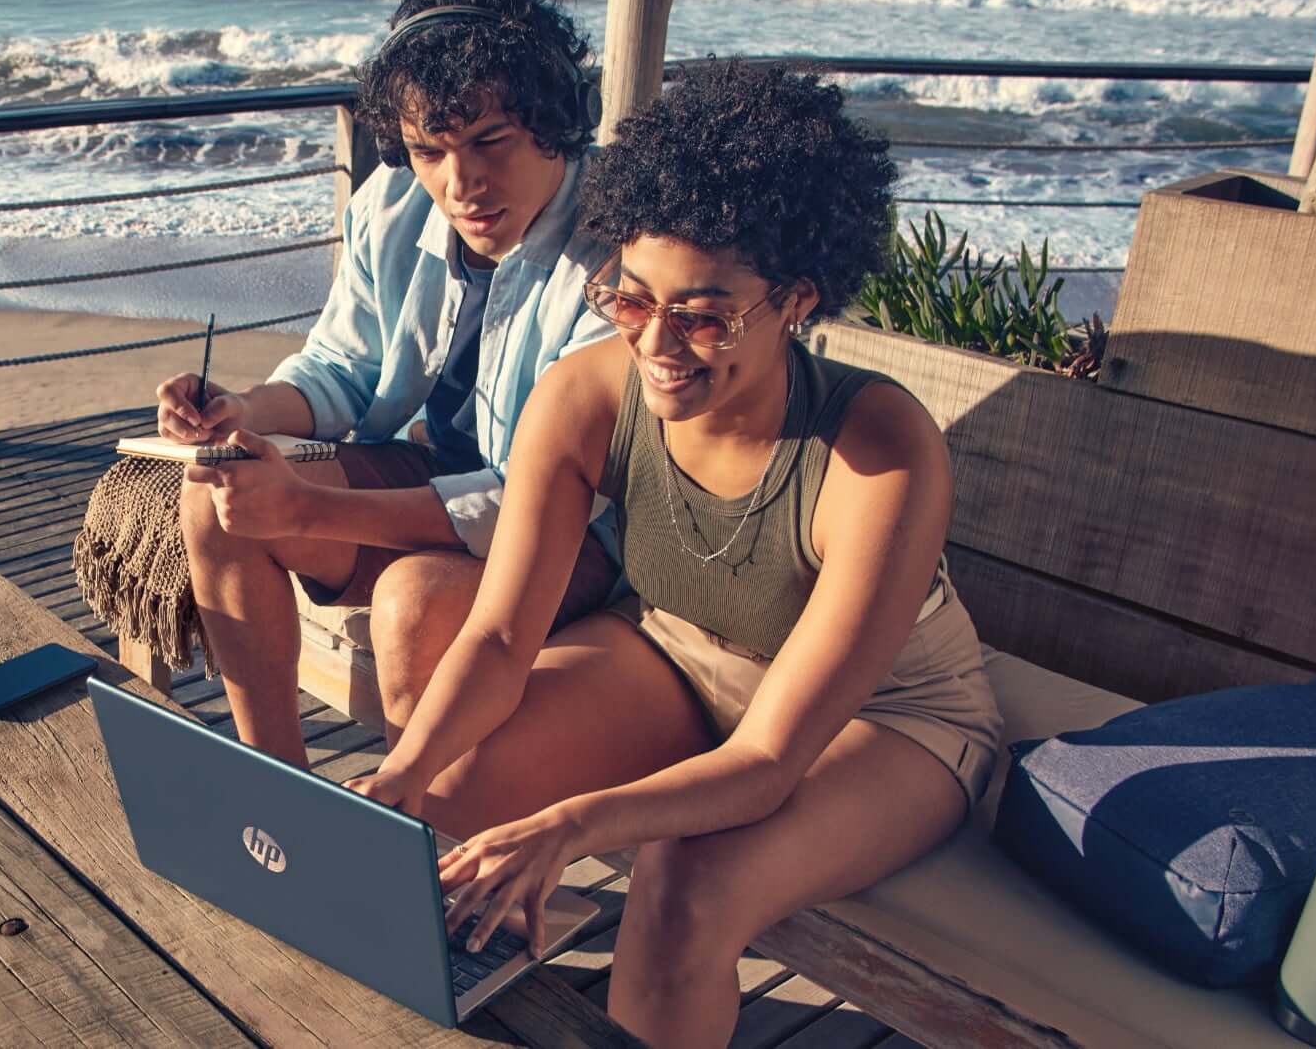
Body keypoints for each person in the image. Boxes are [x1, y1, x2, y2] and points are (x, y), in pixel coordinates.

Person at [344, 62, 1005, 1047]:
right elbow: (494, 641)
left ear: (794, 301)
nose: (656, 342)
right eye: (629, 300)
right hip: (677, 647)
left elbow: (771, 758)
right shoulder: (583, 398)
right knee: (447, 800)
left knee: (684, 882)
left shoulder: (877, 452)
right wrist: (397, 778)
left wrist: (569, 827)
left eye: (700, 316)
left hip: (887, 718)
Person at [153, 0, 624, 767]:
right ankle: (282, 788)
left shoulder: (622, 254)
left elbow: (531, 502)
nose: (459, 183)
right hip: (434, 475)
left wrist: (307, 510)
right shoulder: (393, 202)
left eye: (489, 143)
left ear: (557, 121)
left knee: (416, 603)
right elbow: (343, 368)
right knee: (217, 491)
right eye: (428, 151)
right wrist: (244, 409)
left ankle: (423, 835)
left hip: (578, 532)